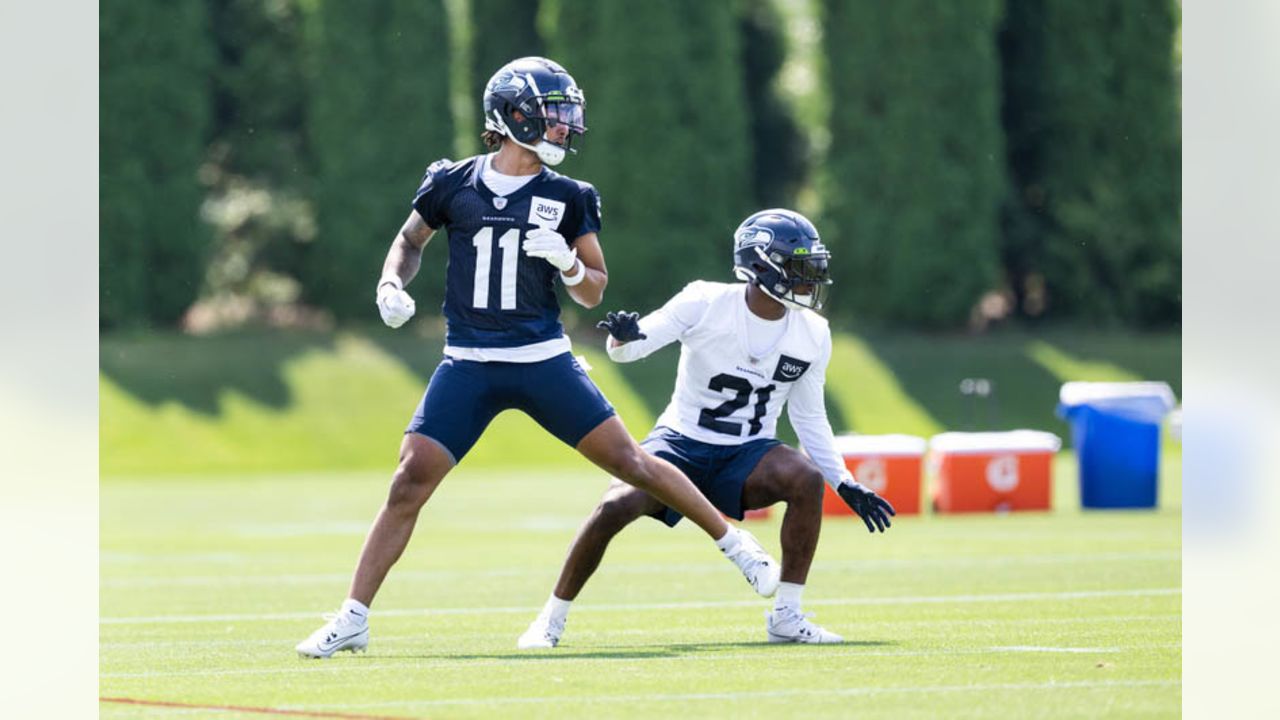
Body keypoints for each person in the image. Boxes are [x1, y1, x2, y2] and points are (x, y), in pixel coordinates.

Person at [296, 57, 780, 659]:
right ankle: (354, 618)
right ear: (513, 114)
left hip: (540, 358)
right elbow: (408, 241)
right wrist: (390, 284)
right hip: (469, 361)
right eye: (552, 117)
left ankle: (735, 543)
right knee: (408, 480)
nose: (562, 129)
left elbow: (594, 288)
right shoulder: (453, 183)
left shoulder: (568, 196)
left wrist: (570, 264)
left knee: (630, 461)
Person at [516, 209, 896, 649]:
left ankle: (788, 617)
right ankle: (551, 617)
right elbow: (627, 351)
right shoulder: (706, 301)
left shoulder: (814, 332)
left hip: (748, 452)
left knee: (806, 479)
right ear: (760, 265)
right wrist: (620, 337)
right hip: (679, 443)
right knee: (615, 506)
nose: (810, 281)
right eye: (798, 268)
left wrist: (844, 482)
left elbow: (810, 418)